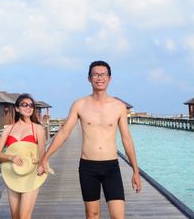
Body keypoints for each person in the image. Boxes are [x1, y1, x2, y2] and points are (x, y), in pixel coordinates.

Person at [38, 60, 141, 219]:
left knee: (118, 216)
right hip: (88, 167)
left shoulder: (118, 106)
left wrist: (135, 171)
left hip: (111, 167)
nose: (99, 78)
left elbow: (126, 138)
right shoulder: (80, 104)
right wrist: (45, 157)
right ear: (89, 78)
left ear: (109, 78)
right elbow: (64, 132)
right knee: (92, 215)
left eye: (103, 74)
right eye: (95, 74)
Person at [0, 93, 48, 219]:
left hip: (31, 173)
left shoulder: (37, 128)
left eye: (31, 105)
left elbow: (41, 151)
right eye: (24, 105)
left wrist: (42, 164)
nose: (29, 107)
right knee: (15, 216)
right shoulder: (8, 129)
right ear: (17, 108)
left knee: (24, 216)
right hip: (13, 174)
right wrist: (11, 157)